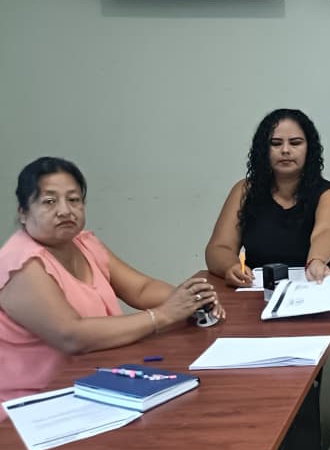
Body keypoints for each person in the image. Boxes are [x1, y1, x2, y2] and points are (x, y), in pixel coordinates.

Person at [0, 157, 224, 409]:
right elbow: (71, 336)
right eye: (49, 201)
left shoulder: (83, 243)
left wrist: (193, 301)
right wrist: (162, 315)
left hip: (96, 385)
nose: (65, 210)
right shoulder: (20, 264)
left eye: (73, 199)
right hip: (36, 406)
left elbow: (141, 289)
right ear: (23, 212)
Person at [206, 109, 330, 285]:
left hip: (314, 285)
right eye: (275, 143)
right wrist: (231, 267)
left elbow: (325, 232)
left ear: (309, 149)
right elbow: (219, 248)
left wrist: (316, 261)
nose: (285, 150)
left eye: (295, 143)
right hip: (257, 288)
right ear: (263, 149)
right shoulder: (244, 190)